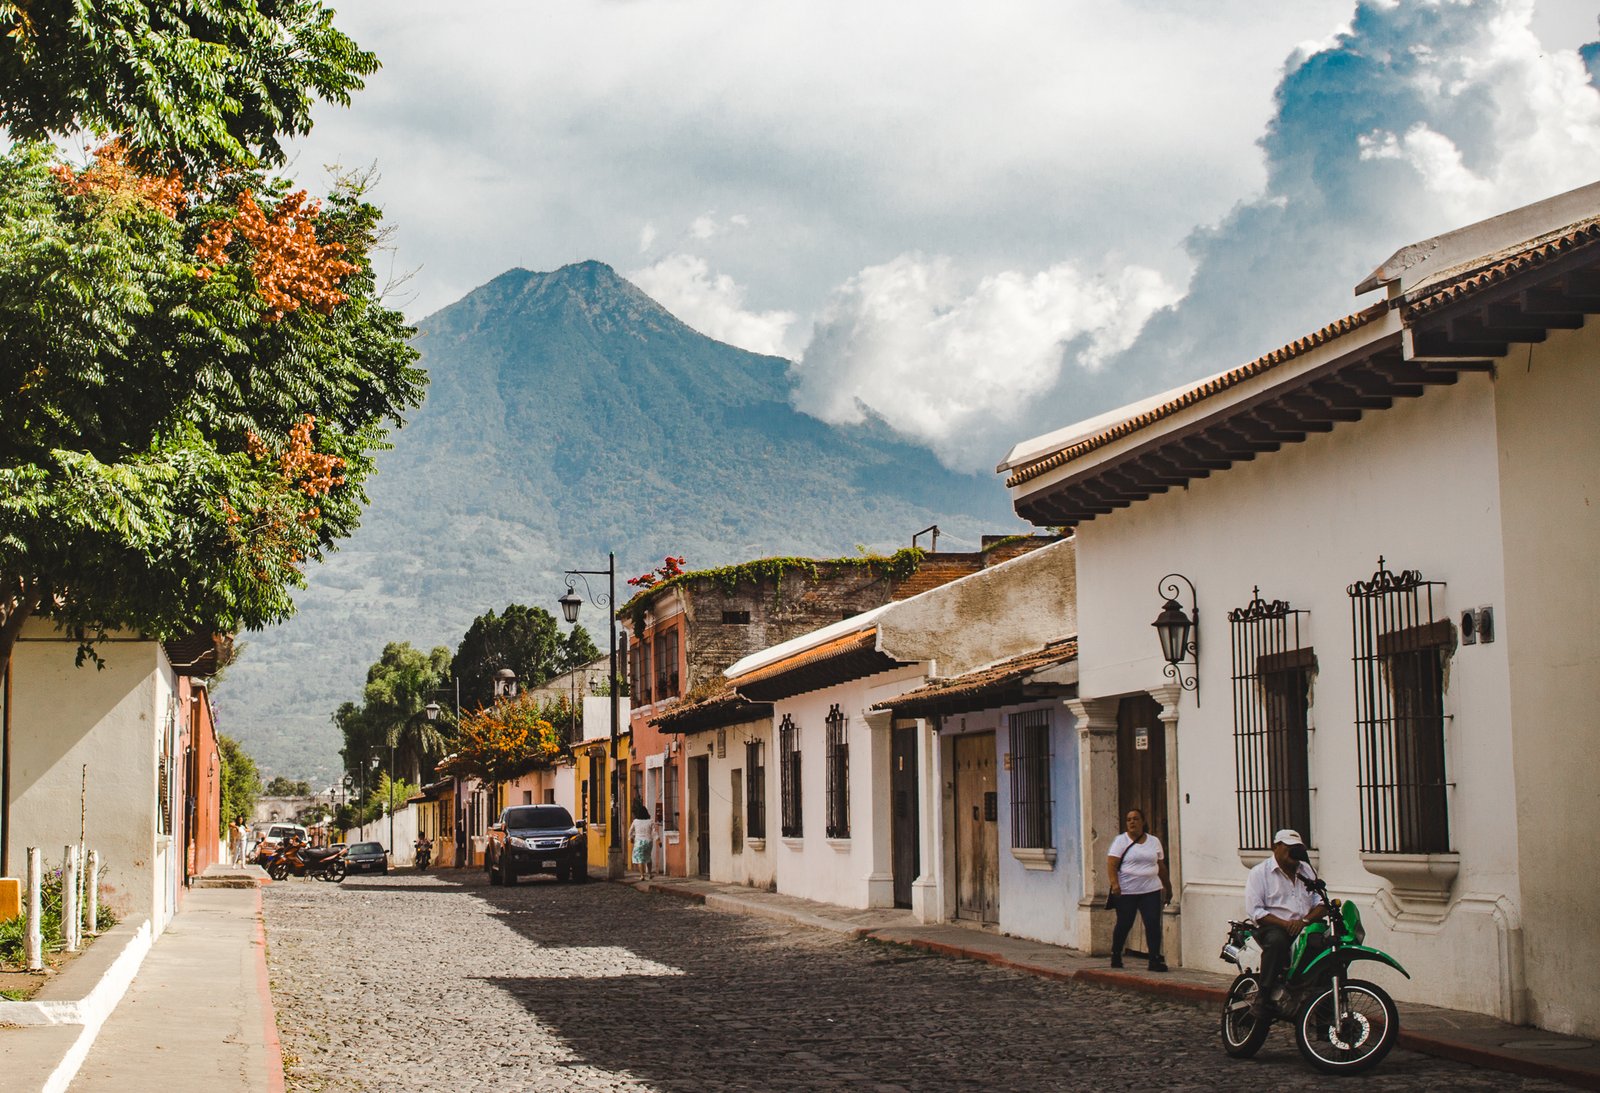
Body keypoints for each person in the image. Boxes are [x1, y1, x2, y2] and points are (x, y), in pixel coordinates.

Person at [1243, 828, 1327, 1017]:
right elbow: (1256, 911)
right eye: (1289, 848)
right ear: (1276, 847)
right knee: (1277, 941)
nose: (1293, 853)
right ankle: (1263, 997)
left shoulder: (1306, 871)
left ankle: (1323, 1008)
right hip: (1272, 927)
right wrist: (1286, 924)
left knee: (1327, 947)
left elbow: (1321, 903)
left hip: (1304, 927)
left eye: (1296, 848)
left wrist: (1305, 921)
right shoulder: (1260, 873)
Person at [1106, 807, 1172, 972]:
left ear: (1143, 822)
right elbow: (1111, 864)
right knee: (1124, 923)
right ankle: (1116, 954)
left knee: (1152, 924)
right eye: (1129, 820)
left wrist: (1167, 885)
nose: (1132, 822)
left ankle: (1154, 959)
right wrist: (1115, 884)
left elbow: (1160, 865)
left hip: (1151, 889)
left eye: (1135, 819)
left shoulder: (1153, 841)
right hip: (1127, 891)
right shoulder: (1121, 841)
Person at [629, 800, 656, 881]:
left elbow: (630, 832)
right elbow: (654, 832)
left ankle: (642, 875)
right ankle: (650, 874)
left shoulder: (635, 821)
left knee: (640, 858)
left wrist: (631, 838)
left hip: (639, 842)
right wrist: (658, 840)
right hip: (648, 842)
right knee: (648, 857)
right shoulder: (650, 821)